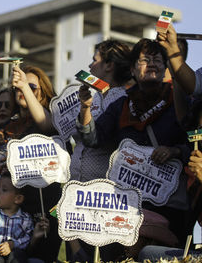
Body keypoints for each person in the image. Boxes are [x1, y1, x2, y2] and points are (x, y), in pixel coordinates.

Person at [77, 38, 190, 245]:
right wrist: (85, 108)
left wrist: (175, 151)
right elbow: (92, 138)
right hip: (127, 207)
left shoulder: (179, 102)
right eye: (144, 60)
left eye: (157, 59)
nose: (152, 64)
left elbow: (194, 144)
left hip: (171, 206)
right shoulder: (122, 105)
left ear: (165, 66)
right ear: (132, 69)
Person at [10, 65, 61, 262]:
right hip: (18, 203)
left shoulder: (51, 117)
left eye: (32, 87)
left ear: (43, 92)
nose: (23, 91)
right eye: (19, 87)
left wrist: (23, 85)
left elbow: (45, 123)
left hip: (45, 203)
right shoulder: (12, 124)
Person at [70, 39, 131, 182]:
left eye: (94, 60)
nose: (90, 65)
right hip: (78, 185)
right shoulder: (95, 97)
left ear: (109, 65)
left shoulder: (122, 99)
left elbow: (96, 138)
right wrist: (85, 107)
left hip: (104, 190)